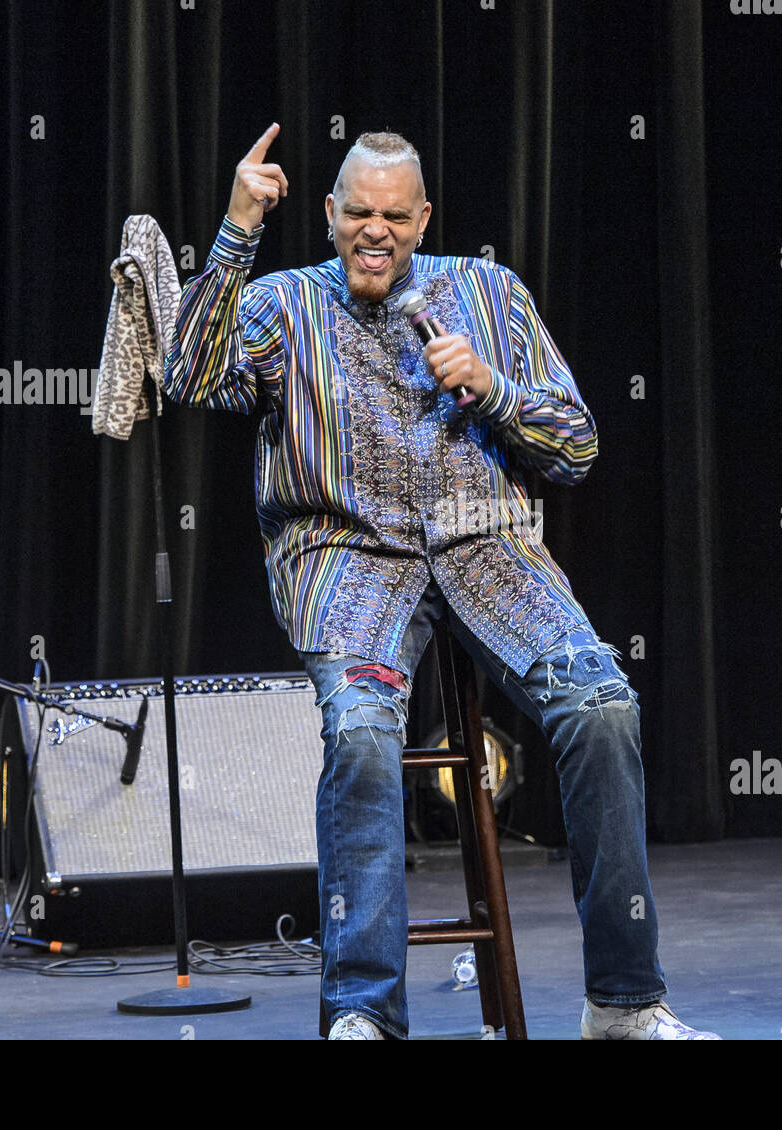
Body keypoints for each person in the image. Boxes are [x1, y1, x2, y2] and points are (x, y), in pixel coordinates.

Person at [164, 123, 718, 1041]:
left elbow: (577, 447)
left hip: (486, 547)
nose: (373, 233)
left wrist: (491, 385)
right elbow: (185, 375)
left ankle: (622, 1004)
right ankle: (364, 1015)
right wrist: (235, 226)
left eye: (393, 216)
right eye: (356, 215)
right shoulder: (284, 305)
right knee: (363, 729)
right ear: (331, 216)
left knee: (603, 707)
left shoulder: (490, 294)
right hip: (346, 556)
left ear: (422, 220)